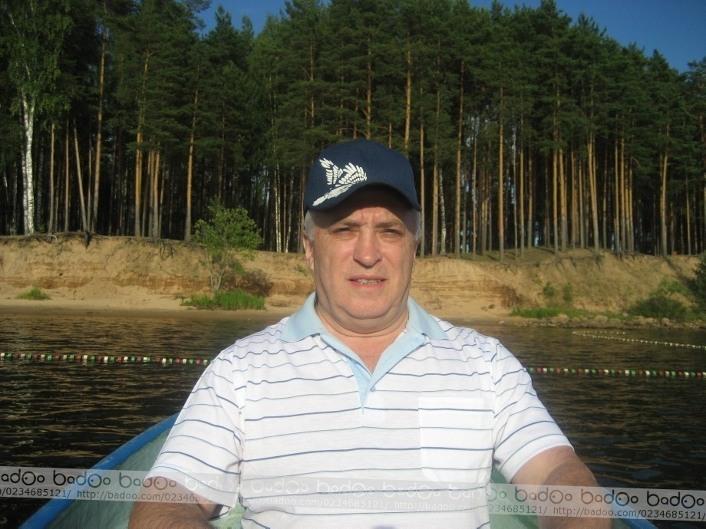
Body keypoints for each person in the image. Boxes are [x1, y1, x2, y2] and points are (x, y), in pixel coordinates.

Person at [130, 139, 607, 529]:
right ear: (309, 248)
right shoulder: (238, 372)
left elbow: (556, 474)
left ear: (414, 246)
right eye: (345, 229)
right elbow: (166, 502)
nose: (367, 253)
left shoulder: (488, 364)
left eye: (390, 231)